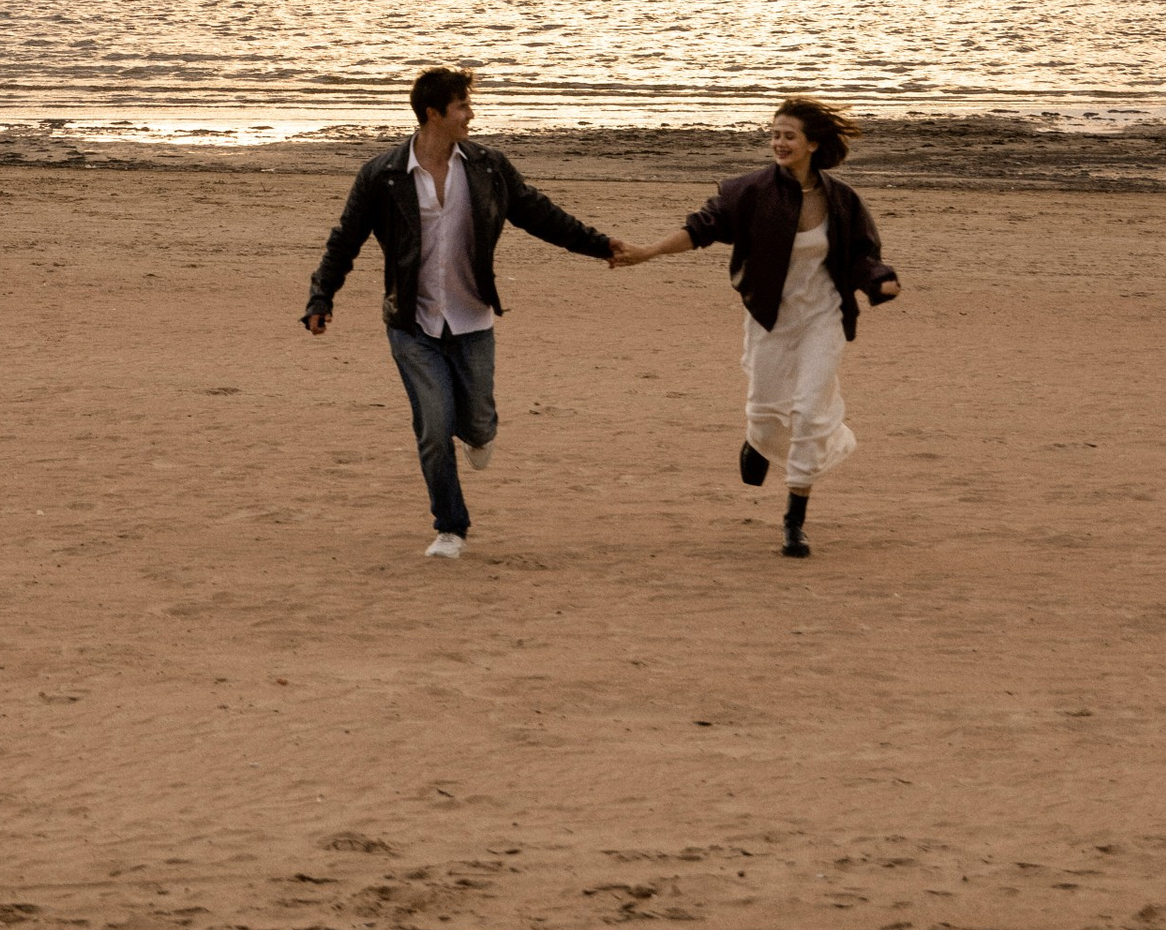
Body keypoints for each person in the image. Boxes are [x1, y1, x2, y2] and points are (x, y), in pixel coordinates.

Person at [302, 66, 651, 560]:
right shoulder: (381, 175)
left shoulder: (487, 167)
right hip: (412, 323)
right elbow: (345, 238)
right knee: (433, 427)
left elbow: (539, 213)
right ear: (434, 113)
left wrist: (599, 246)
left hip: (472, 319)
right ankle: (450, 526)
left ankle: (479, 434)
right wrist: (322, 296)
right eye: (462, 106)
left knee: (480, 424)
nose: (471, 114)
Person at [631, 97, 899, 559]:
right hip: (770, 317)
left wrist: (879, 280)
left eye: (789, 135)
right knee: (766, 413)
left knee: (811, 413)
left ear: (813, 144)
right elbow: (701, 228)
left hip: (824, 317)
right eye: (774, 134)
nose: (779, 142)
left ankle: (795, 520)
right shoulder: (749, 191)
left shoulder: (842, 200)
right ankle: (757, 440)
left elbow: (861, 255)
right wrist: (648, 251)